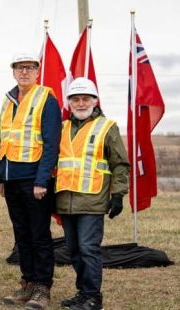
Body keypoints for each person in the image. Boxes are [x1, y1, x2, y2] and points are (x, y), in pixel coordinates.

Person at [55, 78, 129, 310]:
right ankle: (83, 293)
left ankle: (93, 297)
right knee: (74, 250)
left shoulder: (107, 127)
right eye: (75, 99)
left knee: (88, 249)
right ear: (69, 103)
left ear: (95, 101)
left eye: (85, 98)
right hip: (65, 200)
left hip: (92, 199)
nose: (80, 103)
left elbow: (120, 164)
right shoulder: (62, 127)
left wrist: (118, 195)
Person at [0, 52, 62, 310]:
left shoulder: (46, 98)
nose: (24, 72)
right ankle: (28, 283)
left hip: (34, 181)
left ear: (37, 71)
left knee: (39, 235)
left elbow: (51, 143)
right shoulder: (8, 100)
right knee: (21, 235)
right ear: (13, 72)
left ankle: (42, 289)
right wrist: (0, 176)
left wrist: (42, 180)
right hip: (11, 180)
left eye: (29, 67)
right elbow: (2, 139)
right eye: (19, 68)